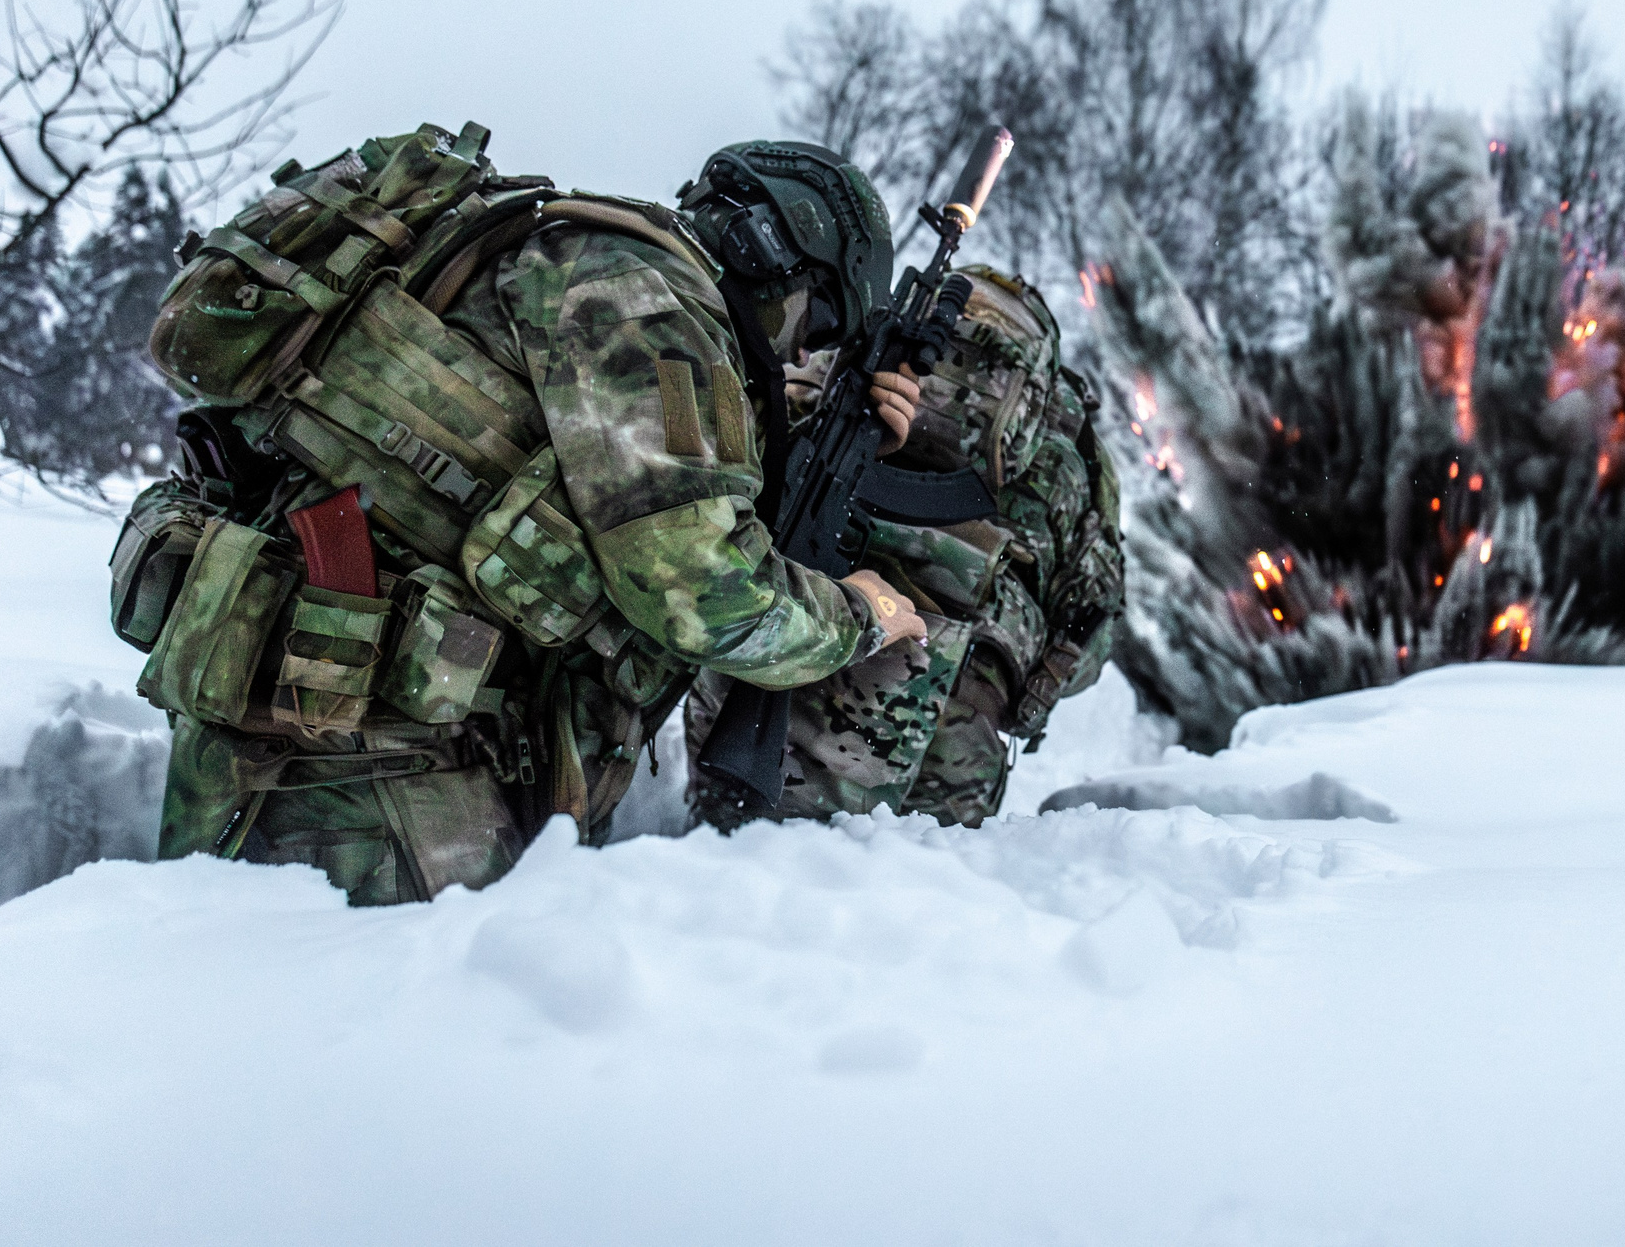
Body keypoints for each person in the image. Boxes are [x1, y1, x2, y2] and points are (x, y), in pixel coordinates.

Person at [110, 124, 925, 904]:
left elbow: (589, 470)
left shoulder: (585, 261)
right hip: (375, 775)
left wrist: (816, 430)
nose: (800, 351)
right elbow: (701, 590)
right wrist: (862, 612)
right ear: (775, 254)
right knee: (362, 1000)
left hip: (324, 731)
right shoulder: (646, 302)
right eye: (819, 322)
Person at [684, 263, 1124, 829]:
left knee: (719, 851)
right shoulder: (1074, 453)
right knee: (916, 875)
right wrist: (1031, 692)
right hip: (947, 749)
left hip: (775, 649)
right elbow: (1089, 636)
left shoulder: (839, 355)